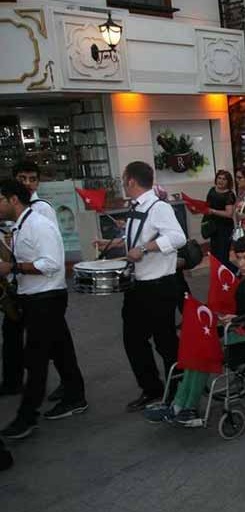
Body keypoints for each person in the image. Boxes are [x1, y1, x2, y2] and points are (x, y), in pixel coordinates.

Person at [144, 235, 245, 426]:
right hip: (238, 332)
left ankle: (185, 406)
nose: (241, 263)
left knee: (205, 355)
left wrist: (238, 321)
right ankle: (178, 405)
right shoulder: (242, 287)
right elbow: (237, 313)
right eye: (239, 258)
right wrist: (225, 319)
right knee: (197, 349)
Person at [93, 162, 186, 412]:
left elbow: (178, 237)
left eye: (124, 179)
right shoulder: (135, 207)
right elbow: (134, 242)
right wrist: (111, 244)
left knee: (165, 342)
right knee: (133, 340)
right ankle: (152, 389)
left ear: (131, 180)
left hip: (159, 286)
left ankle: (177, 393)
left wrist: (145, 249)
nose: (123, 183)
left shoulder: (159, 207)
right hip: (139, 287)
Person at [0, 180, 85, 439]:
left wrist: (12, 268)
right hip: (34, 297)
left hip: (46, 299)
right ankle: (75, 396)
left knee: (35, 359)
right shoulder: (20, 226)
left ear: (14, 199)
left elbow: (51, 264)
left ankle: (27, 417)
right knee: (61, 351)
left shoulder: (39, 225)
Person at [1, 162, 57, 396]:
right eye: (22, 178)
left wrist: (13, 265)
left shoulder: (40, 210)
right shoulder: (8, 210)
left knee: (47, 342)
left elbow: (50, 256)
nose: (28, 183)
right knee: (12, 335)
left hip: (40, 285)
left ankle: (55, 391)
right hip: (18, 282)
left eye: (33, 179)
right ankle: (13, 382)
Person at [204, 170, 236, 264]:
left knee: (223, 257)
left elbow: (229, 214)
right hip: (213, 227)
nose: (221, 181)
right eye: (219, 178)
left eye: (224, 179)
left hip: (225, 228)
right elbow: (207, 205)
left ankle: (235, 274)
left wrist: (213, 211)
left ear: (228, 182)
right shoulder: (212, 190)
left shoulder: (229, 195)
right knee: (214, 256)